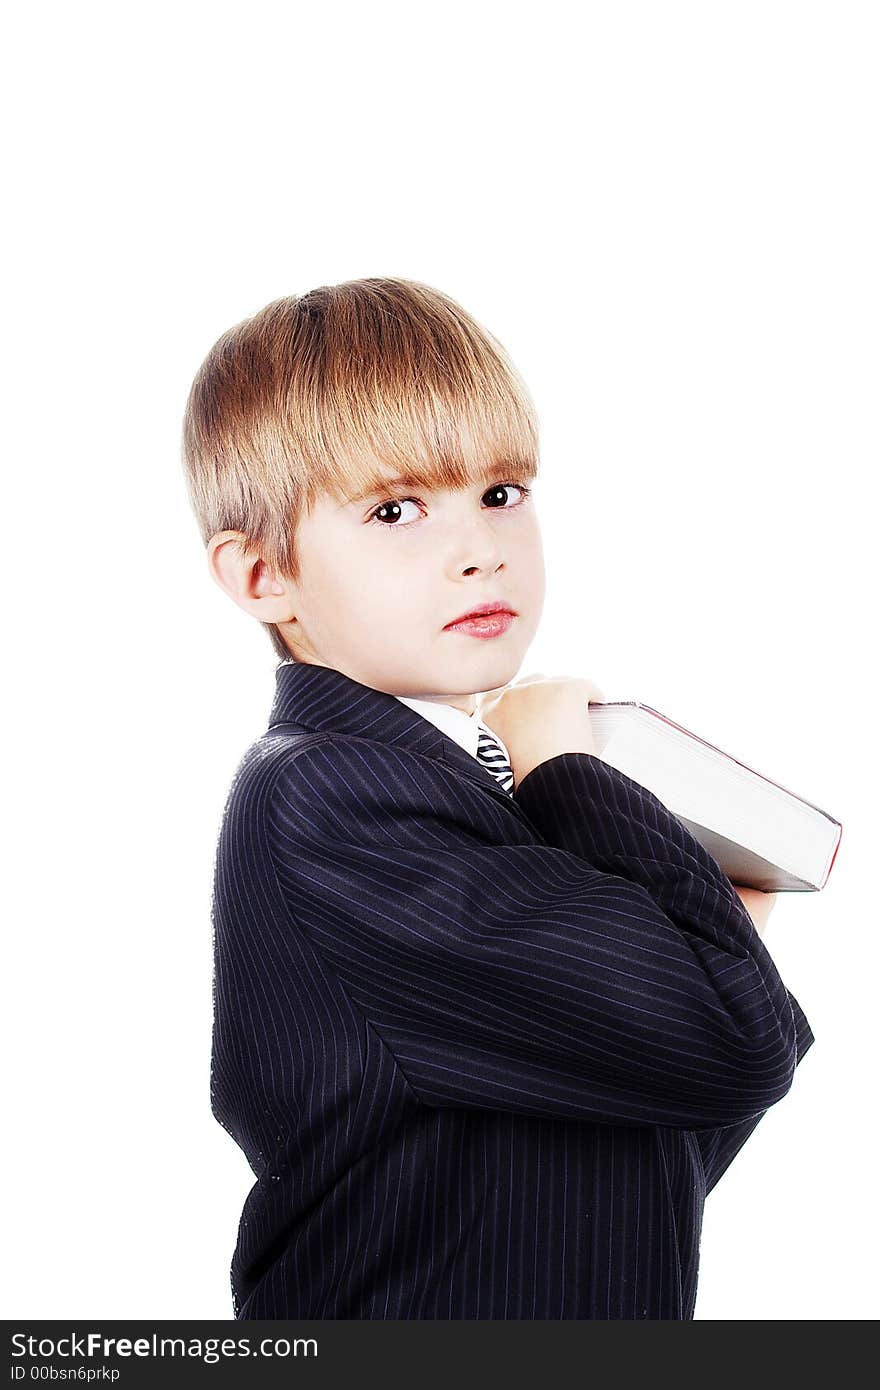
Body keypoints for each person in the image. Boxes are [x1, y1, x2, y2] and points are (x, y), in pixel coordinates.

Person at [180, 276, 814, 1319]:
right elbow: (735, 1046)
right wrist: (569, 772)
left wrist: (716, 936)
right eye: (394, 510)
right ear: (262, 577)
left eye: (502, 493)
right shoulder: (333, 795)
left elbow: (638, 1156)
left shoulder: (463, 788)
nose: (479, 548)